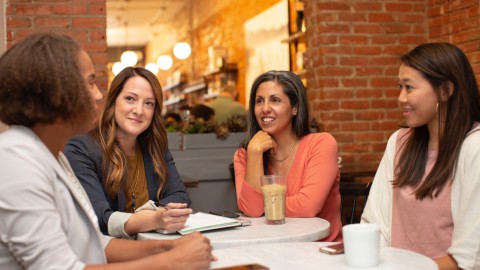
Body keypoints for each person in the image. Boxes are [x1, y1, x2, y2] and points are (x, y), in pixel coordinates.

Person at [0, 32, 212, 269]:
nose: (98, 95)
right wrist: (172, 261)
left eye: (149, 103)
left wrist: (167, 247)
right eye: (90, 83)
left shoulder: (53, 157)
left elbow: (95, 243)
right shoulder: (14, 159)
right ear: (54, 91)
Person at [361, 42, 480, 270]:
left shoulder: (474, 147)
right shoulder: (399, 142)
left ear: (445, 90)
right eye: (400, 87)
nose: (401, 98)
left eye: (409, 87)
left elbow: (469, 258)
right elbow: (374, 223)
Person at [64, 67, 192, 238]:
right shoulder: (81, 149)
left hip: (153, 247)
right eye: (130, 99)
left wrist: (157, 217)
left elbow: (180, 196)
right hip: (108, 255)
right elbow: (98, 218)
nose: (139, 110)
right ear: (113, 101)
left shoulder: (155, 146)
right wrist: (155, 219)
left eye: (149, 103)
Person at [233, 70, 342, 241]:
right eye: (259, 101)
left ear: (295, 108)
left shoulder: (321, 144)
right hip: (272, 249)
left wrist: (264, 206)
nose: (265, 109)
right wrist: (254, 153)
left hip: (320, 251)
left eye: (275, 100)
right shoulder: (244, 154)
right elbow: (253, 211)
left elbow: (308, 207)